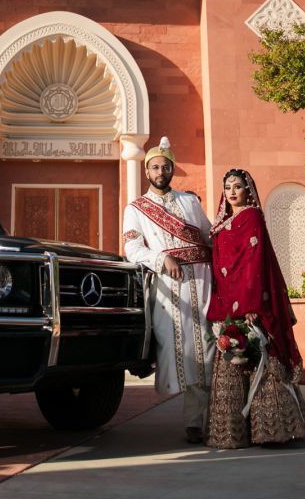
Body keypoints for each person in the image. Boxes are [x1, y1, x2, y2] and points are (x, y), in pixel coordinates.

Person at [204, 168, 305, 449]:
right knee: (231, 364)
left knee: (261, 361)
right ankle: (232, 433)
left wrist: (251, 304)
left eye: (238, 186)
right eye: (227, 187)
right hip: (226, 303)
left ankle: (272, 430)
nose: (232, 192)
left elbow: (254, 262)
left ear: (248, 190)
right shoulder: (220, 225)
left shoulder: (251, 217)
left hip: (251, 302)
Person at [123, 137, 214, 444]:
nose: (160, 172)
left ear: (172, 169)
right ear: (146, 171)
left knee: (209, 348)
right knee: (184, 352)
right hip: (168, 286)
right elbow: (132, 248)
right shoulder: (136, 209)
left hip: (203, 281)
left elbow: (209, 236)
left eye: (165, 167)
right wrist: (161, 259)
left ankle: (207, 421)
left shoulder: (190, 202)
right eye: (155, 167)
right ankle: (194, 421)